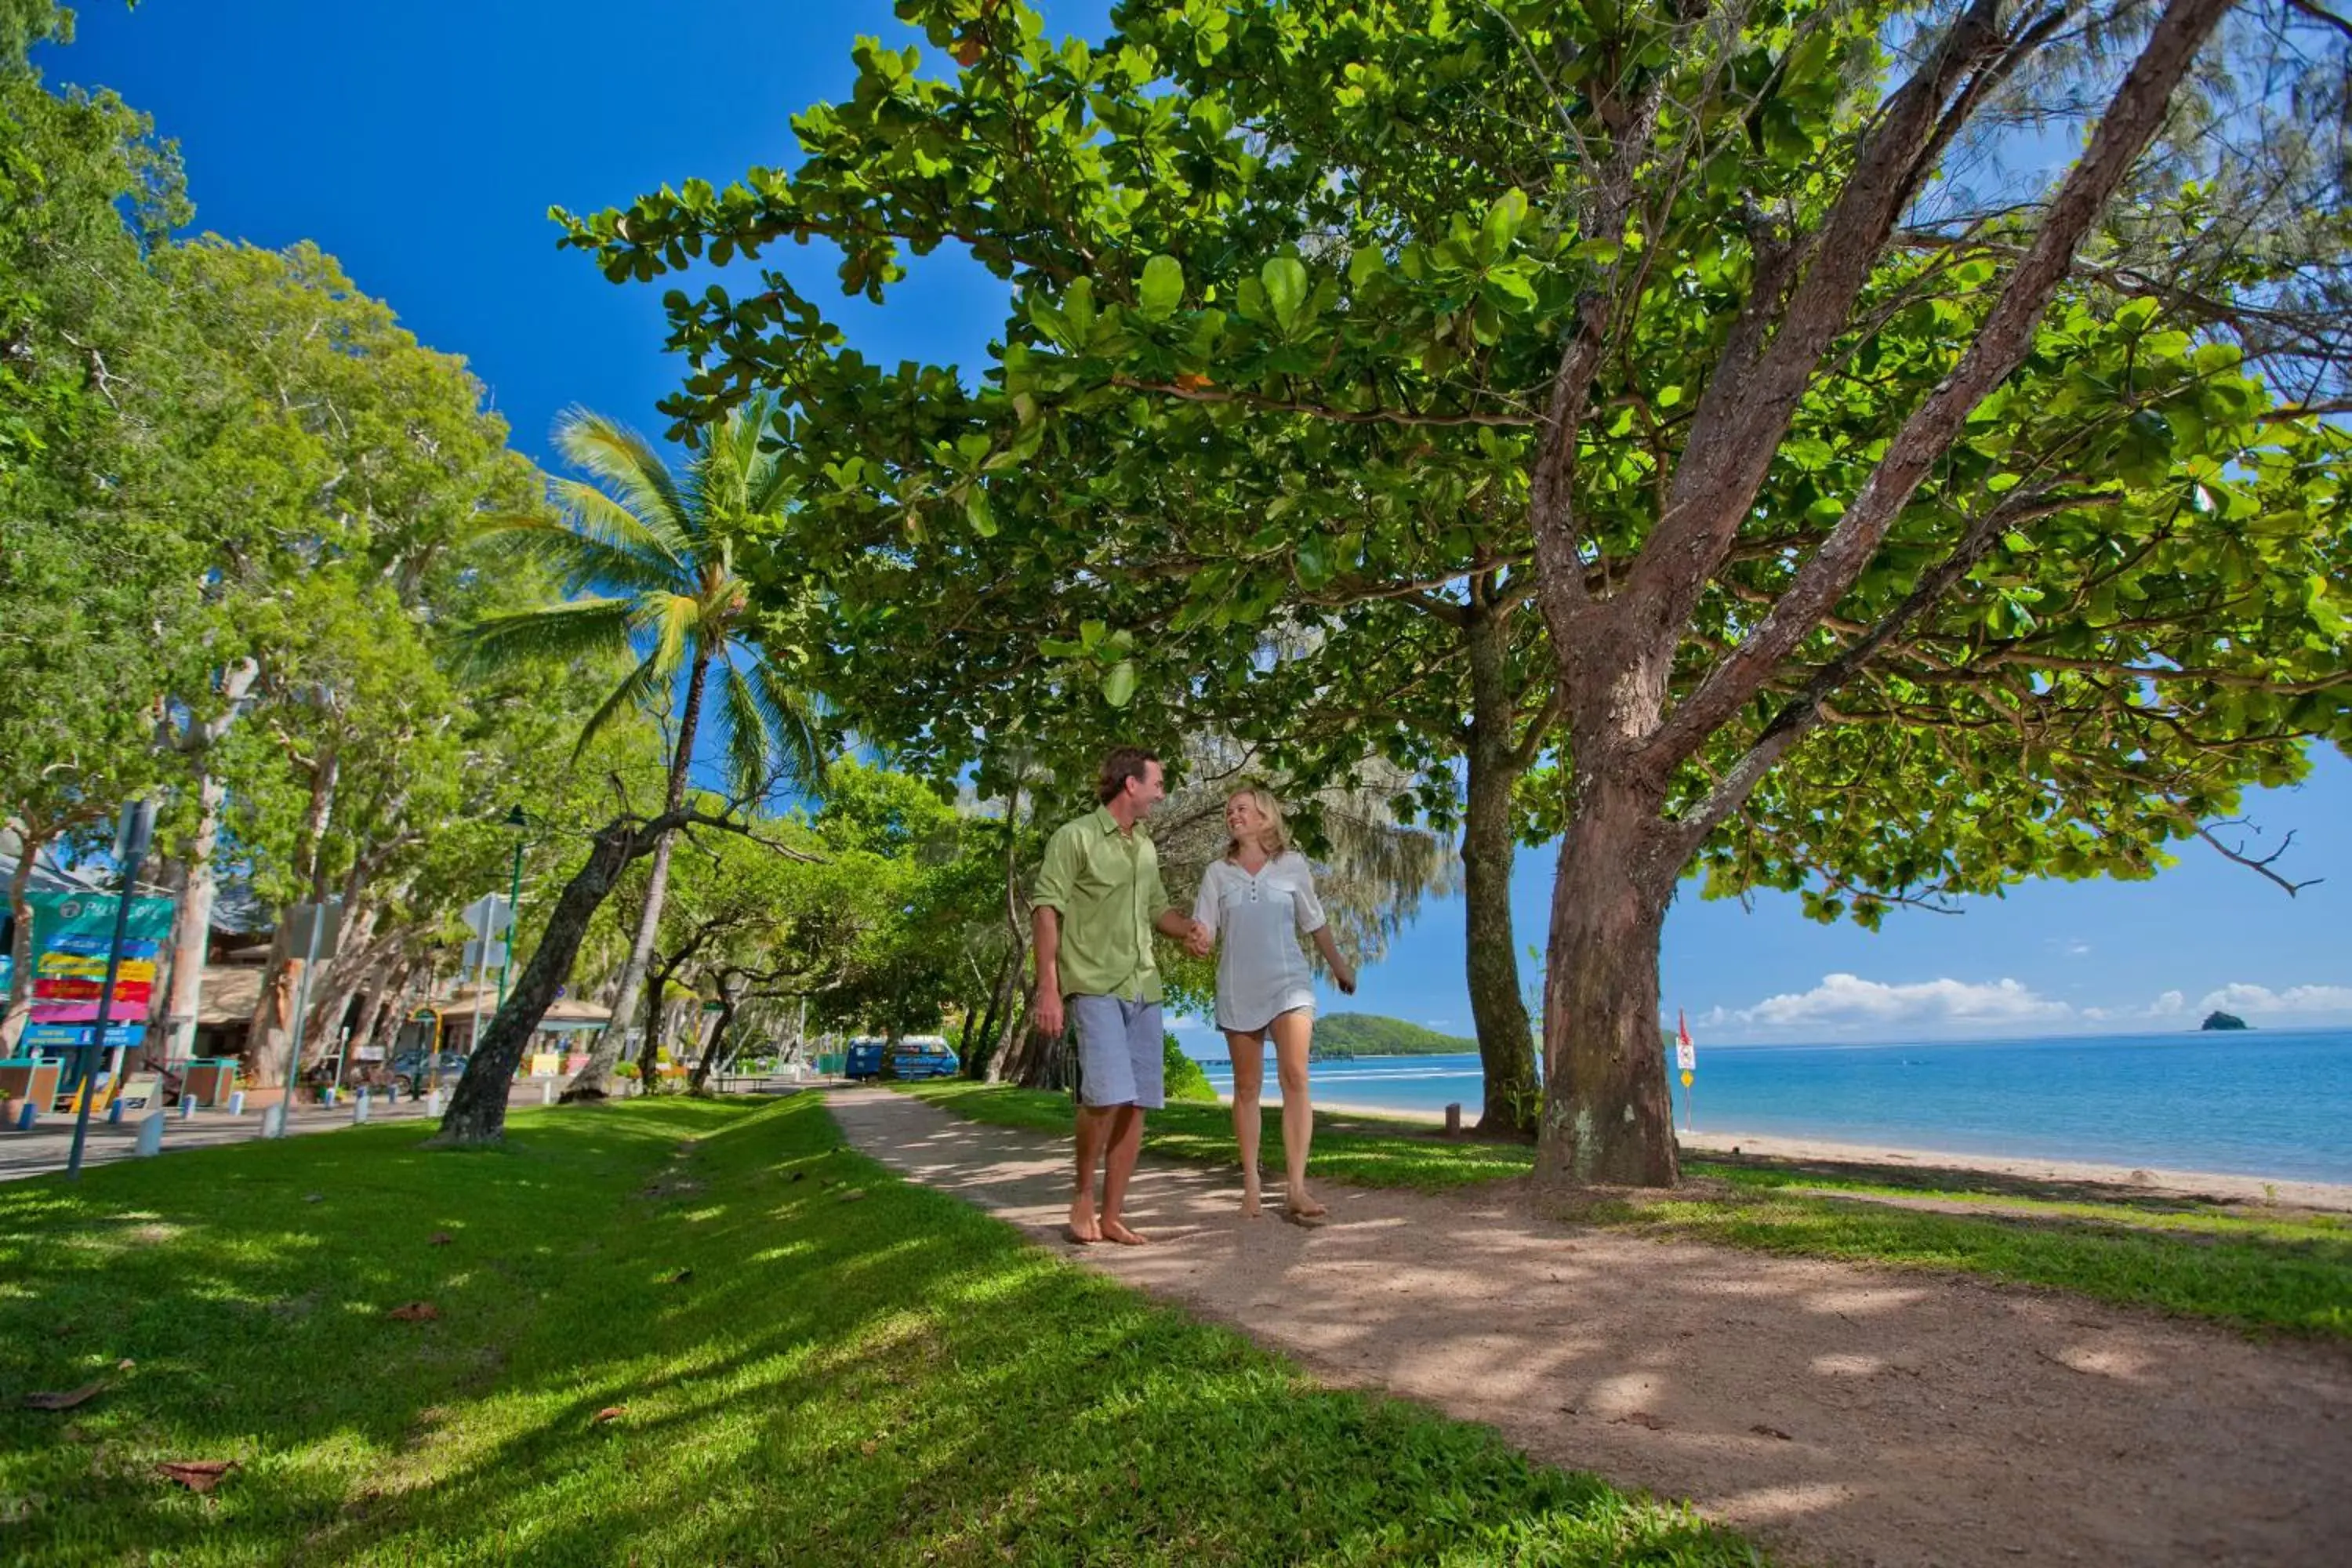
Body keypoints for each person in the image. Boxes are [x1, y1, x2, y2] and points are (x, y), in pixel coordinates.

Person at [1031, 746, 1213, 1245]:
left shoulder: (1147, 847)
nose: (1162, 792)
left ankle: (1112, 1215)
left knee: (1137, 1104)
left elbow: (1158, 910)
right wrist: (1049, 985)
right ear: (1130, 784)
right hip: (1092, 983)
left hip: (1144, 987)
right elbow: (1046, 908)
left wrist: (1189, 930)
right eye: (1157, 782)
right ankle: (1082, 1195)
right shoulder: (1076, 837)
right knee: (1105, 1096)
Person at [1191, 786, 1354, 1223]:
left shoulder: (1293, 865)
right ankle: (1251, 1185)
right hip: (1238, 986)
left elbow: (1314, 921)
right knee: (1247, 1088)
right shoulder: (1217, 874)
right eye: (1229, 811)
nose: (1232, 815)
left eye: (1241, 808)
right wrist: (1199, 940)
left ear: (1266, 817)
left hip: (1290, 984)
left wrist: (1339, 967)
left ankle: (1297, 1188)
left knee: (1295, 1075)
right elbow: (1204, 927)